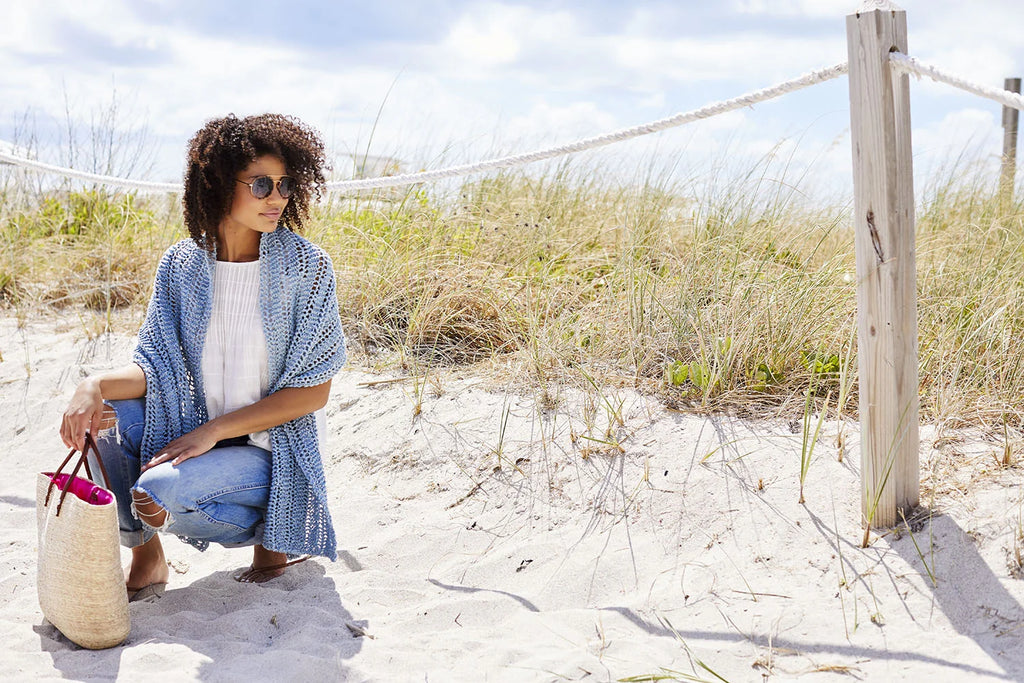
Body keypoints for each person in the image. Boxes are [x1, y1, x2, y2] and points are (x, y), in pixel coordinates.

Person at [60, 113, 346, 599]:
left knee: (158, 490)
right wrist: (93, 386)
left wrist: (212, 432)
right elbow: (156, 367)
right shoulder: (181, 265)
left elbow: (312, 392)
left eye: (285, 184)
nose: (277, 197)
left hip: (268, 452)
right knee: (105, 419)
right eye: (261, 184)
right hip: (193, 431)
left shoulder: (307, 267)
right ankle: (147, 558)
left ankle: (271, 545)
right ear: (218, 184)